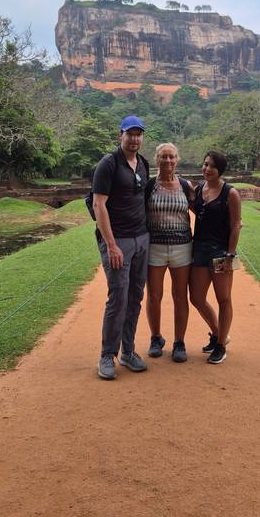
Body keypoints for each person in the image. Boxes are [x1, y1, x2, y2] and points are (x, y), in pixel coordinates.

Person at [92, 116, 150, 380]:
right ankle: (107, 355)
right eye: (130, 134)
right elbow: (98, 205)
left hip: (141, 240)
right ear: (121, 135)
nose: (134, 139)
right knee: (118, 296)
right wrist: (112, 245)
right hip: (119, 242)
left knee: (136, 297)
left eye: (139, 134)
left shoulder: (143, 164)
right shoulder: (109, 163)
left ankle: (128, 350)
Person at [189, 150, 241, 364]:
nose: (207, 169)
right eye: (205, 164)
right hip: (200, 250)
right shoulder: (200, 189)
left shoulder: (230, 193)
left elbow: (236, 224)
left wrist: (230, 255)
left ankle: (220, 346)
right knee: (197, 298)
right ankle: (219, 334)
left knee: (223, 298)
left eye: (212, 166)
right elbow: (198, 211)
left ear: (220, 170)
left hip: (221, 253)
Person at [145, 143, 194, 363]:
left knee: (180, 295)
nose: (168, 161)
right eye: (163, 157)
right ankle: (156, 337)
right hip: (154, 247)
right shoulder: (149, 186)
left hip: (182, 248)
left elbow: (202, 211)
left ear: (177, 159)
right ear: (156, 160)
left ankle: (179, 342)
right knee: (154, 296)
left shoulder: (185, 186)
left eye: (171, 157)